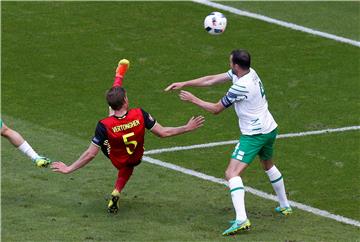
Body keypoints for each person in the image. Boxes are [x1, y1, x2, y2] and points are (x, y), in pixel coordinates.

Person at [51, 59, 205, 214]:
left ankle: (118, 75)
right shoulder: (140, 114)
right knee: (128, 162)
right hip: (136, 156)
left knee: (107, 128)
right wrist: (187, 127)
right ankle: (116, 190)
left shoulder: (104, 124)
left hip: (116, 157)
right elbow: (164, 132)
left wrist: (69, 168)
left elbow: (90, 154)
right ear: (125, 100)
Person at [165, 49, 292, 236]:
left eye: (230, 62)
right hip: (269, 128)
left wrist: (193, 99)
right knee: (267, 164)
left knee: (231, 173)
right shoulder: (251, 72)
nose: (229, 64)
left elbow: (216, 109)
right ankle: (285, 205)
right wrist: (186, 82)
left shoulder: (240, 87)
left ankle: (242, 219)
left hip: (254, 134)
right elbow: (212, 80)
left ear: (236, 66)